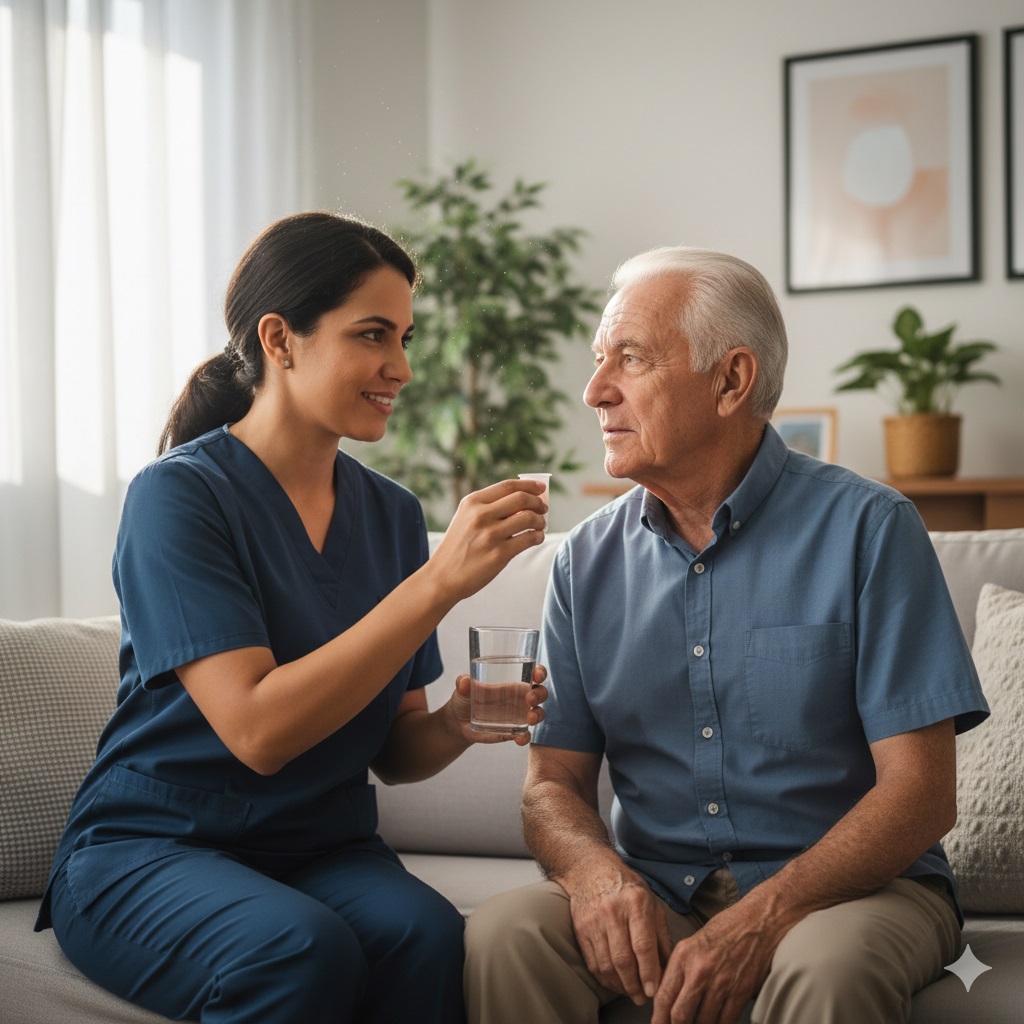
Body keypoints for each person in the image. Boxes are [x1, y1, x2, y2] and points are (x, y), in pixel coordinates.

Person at [35, 211, 550, 1024]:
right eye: (373, 335)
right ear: (280, 340)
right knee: (296, 948)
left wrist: (461, 721)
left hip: (320, 847)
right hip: (154, 847)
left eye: (406, 338)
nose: (402, 368)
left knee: (425, 937)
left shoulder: (388, 514)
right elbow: (258, 732)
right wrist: (440, 583)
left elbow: (396, 751)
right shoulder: (178, 497)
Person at [464, 246, 989, 1024]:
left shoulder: (871, 529)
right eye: (598, 359)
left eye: (630, 359)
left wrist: (768, 913)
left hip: (854, 894)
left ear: (731, 381)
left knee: (827, 968)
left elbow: (920, 794)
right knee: (508, 934)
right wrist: (598, 876)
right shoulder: (583, 561)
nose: (594, 390)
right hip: (657, 885)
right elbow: (552, 784)